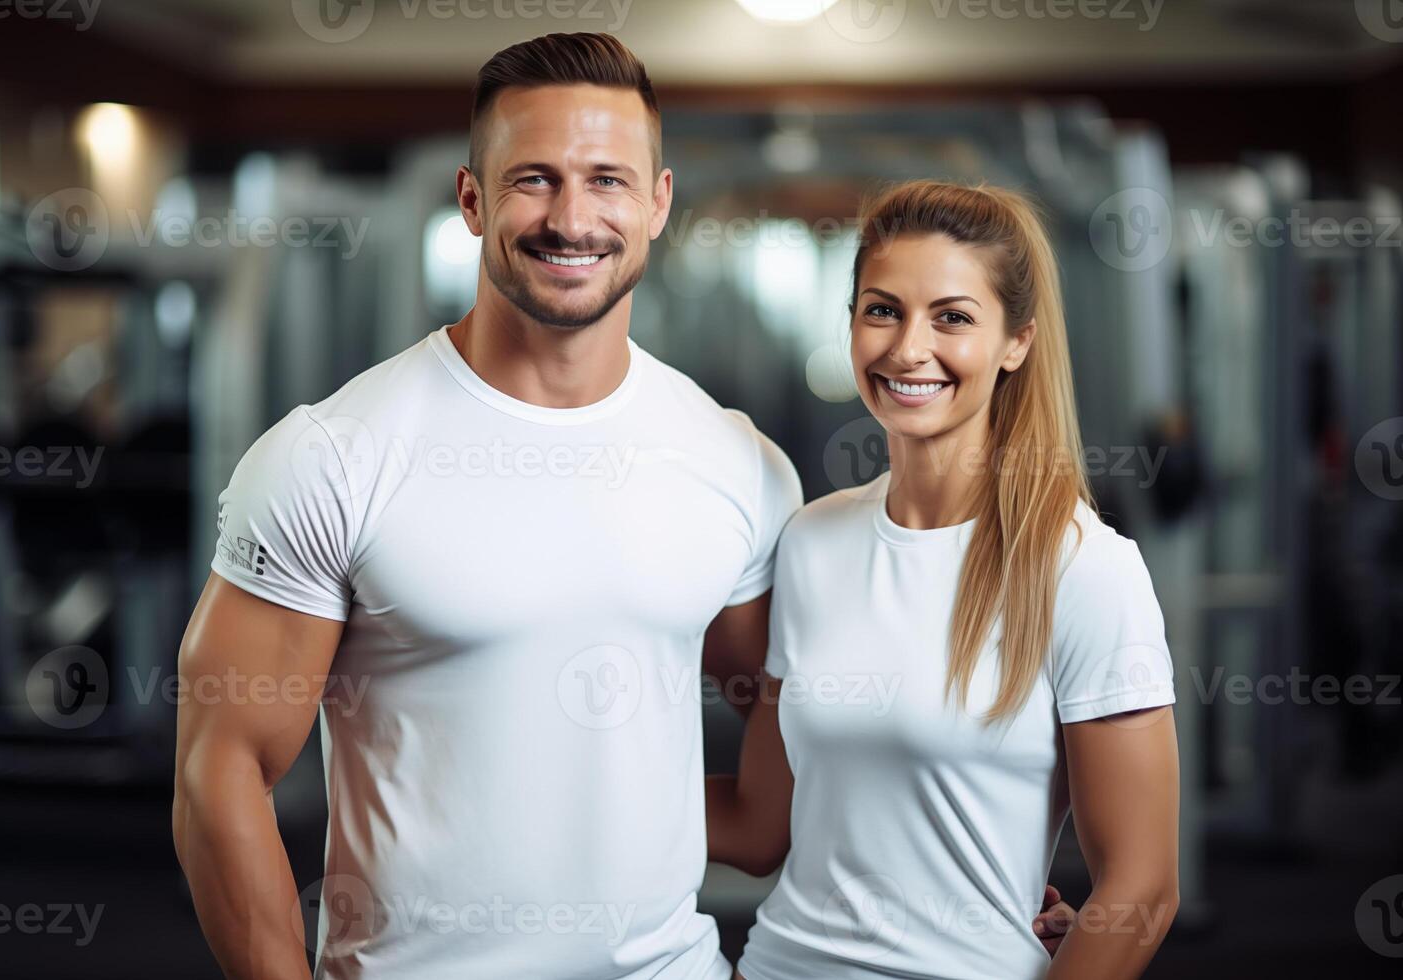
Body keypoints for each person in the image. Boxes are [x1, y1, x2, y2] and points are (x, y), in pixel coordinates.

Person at [172, 34, 1072, 980]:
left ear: (657, 203)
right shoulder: (333, 457)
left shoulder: (736, 464)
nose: (573, 218)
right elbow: (219, 771)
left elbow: (803, 764)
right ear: (472, 200)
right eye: (534, 179)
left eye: (607, 180)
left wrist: (982, 899)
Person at [713, 180, 1181, 980]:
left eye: (952, 317)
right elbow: (761, 827)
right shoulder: (812, 542)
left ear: (1016, 342)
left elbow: (1143, 887)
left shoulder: (1085, 570)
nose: (907, 348)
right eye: (882, 309)